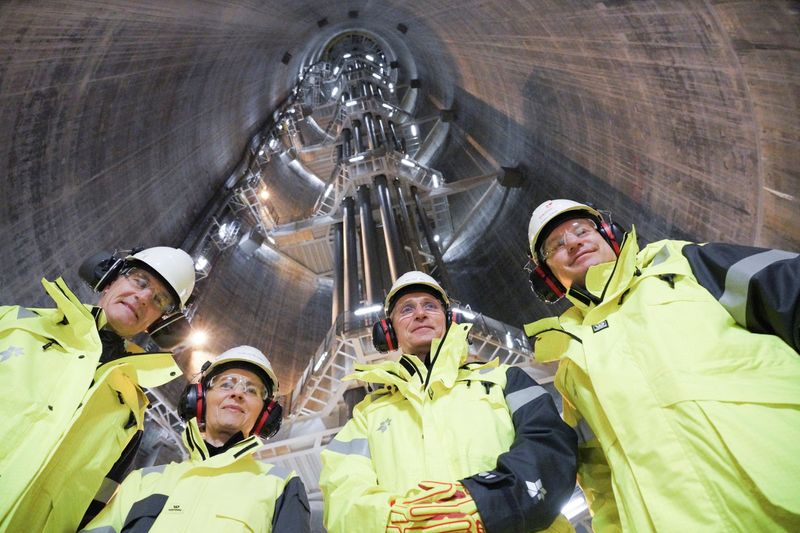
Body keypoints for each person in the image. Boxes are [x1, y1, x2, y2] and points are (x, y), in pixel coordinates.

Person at [523, 199, 800, 532]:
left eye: (582, 230)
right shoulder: (571, 367)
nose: (573, 242)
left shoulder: (682, 265)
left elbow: (788, 290)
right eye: (556, 245)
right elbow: (600, 481)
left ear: (609, 234)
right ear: (549, 278)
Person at [320, 271, 578, 533]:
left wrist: (485, 502)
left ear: (449, 320)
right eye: (406, 309)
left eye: (430, 306)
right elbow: (342, 491)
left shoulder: (505, 380)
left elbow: (549, 448)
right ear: (389, 331)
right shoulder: (367, 415)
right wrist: (388, 519)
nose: (420, 314)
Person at [0, 246, 196, 532]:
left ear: (159, 323)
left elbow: (93, 507)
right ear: (110, 278)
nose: (142, 297)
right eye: (139, 281)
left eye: (158, 300)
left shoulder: (130, 417)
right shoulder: (12, 326)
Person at [81, 345, 311, 532]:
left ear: (265, 415)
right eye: (226, 384)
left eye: (252, 390)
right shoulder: (142, 480)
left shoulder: (281, 486)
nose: (238, 393)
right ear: (198, 398)